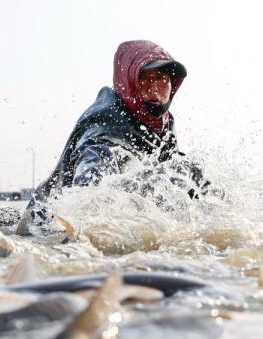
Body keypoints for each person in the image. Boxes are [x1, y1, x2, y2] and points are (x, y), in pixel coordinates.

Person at [23, 40, 213, 226]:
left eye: (162, 79)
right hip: (46, 223)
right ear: (128, 83)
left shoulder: (164, 122)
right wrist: (85, 215)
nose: (154, 87)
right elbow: (93, 161)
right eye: (145, 78)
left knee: (186, 168)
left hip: (128, 215)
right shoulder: (105, 119)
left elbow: (168, 171)